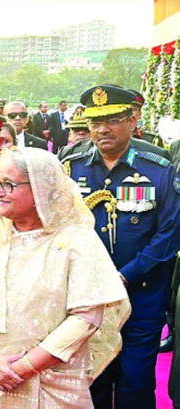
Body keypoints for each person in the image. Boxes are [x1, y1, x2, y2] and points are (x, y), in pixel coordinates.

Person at [0, 147, 131, 409]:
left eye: (9, 185)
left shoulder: (75, 239)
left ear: (40, 189)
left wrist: (24, 367)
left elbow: (86, 317)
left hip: (50, 381)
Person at [61, 85, 180, 409]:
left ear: (133, 119)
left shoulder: (158, 169)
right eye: (95, 121)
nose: (102, 129)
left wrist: (125, 275)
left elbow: (169, 234)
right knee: (91, 378)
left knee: (135, 382)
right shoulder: (72, 166)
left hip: (141, 294)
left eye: (112, 120)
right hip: (85, 296)